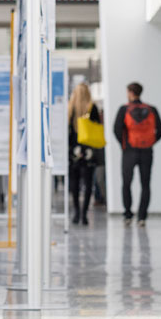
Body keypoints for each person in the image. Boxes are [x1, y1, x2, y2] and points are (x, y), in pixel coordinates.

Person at [113, 82, 161, 227]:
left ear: (129, 92)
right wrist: (150, 142)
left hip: (129, 151)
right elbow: (160, 130)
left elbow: (116, 129)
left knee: (126, 183)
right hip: (147, 151)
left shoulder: (124, 109)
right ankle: (142, 217)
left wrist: (124, 144)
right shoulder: (152, 109)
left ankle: (128, 214)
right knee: (145, 184)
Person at [67, 82, 100, 226]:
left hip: (74, 149)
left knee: (74, 182)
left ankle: (76, 212)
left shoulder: (71, 109)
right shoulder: (92, 108)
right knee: (87, 183)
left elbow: (67, 130)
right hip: (89, 149)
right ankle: (85, 214)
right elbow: (98, 127)